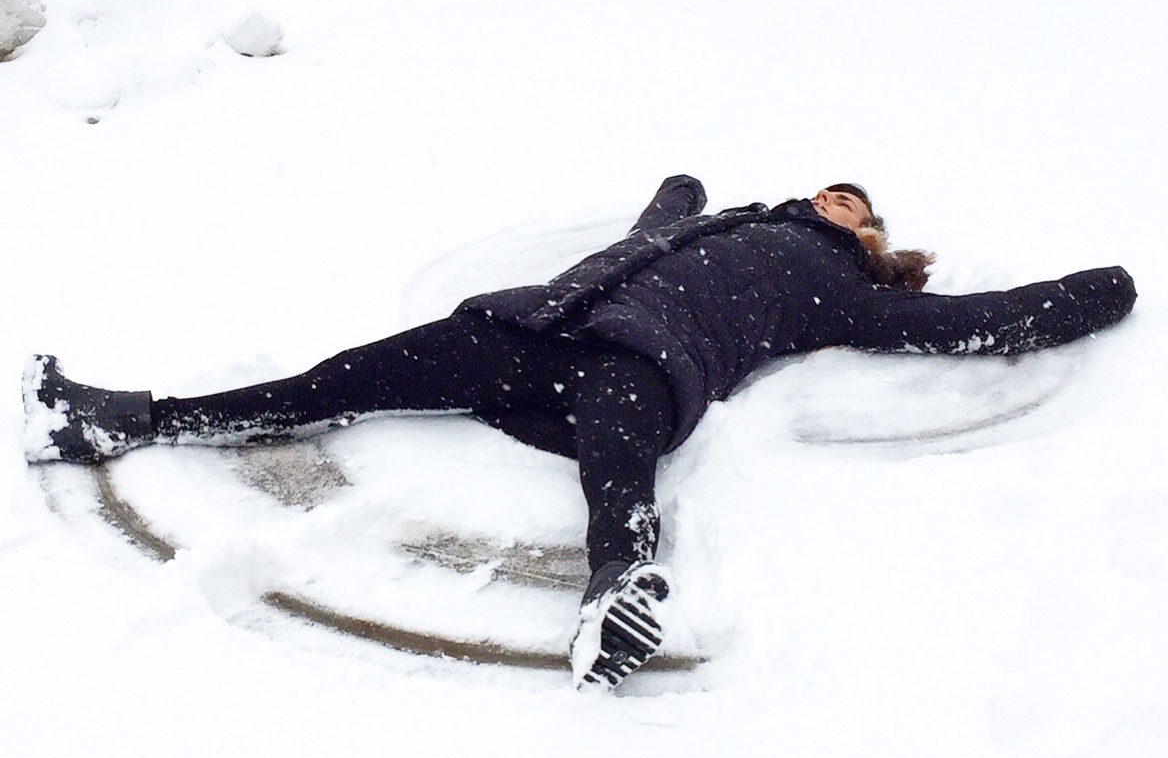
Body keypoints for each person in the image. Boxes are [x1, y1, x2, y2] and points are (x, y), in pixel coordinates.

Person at [23, 176, 1137, 690]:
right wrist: (675, 196)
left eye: (856, 205)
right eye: (828, 190)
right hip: (530, 327)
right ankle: (124, 420)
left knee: (623, 466)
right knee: (343, 377)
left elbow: (970, 324)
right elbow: (651, 228)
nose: (834, 200)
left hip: (642, 367)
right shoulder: (723, 221)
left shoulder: (842, 288)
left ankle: (615, 596)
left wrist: (1096, 292)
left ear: (872, 238)